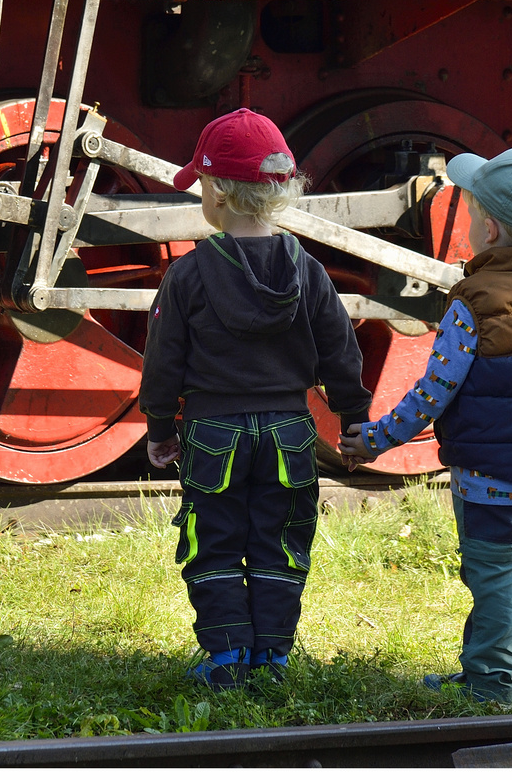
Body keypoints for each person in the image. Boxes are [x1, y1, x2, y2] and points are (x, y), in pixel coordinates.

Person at [339, 146, 512, 706]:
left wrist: (376, 438)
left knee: (495, 576)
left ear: (492, 229)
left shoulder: (472, 302)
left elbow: (434, 391)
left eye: (475, 214)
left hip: (489, 476)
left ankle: (490, 683)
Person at [139, 108, 372, 690]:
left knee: (212, 541)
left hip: (214, 432)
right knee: (282, 538)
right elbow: (342, 352)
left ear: (216, 191)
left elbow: (163, 361)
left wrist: (161, 426)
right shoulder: (309, 270)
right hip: (291, 431)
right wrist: (353, 419)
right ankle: (273, 654)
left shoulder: (188, 275)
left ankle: (225, 656)